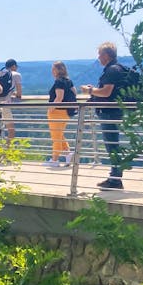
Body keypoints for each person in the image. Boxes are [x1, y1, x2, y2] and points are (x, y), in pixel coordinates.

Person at [81, 42, 127, 189]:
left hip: (109, 112)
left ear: (106, 55)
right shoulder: (118, 68)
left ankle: (115, 179)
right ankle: (115, 176)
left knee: (111, 145)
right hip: (114, 110)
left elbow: (106, 92)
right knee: (112, 144)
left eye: (100, 55)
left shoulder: (112, 70)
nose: (99, 58)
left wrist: (90, 91)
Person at [46, 61, 75, 167]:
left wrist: (50, 108)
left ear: (57, 70)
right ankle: (68, 153)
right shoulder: (68, 81)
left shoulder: (58, 82)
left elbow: (59, 97)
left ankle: (54, 160)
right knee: (60, 134)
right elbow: (74, 93)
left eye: (53, 69)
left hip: (57, 112)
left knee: (56, 137)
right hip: (66, 112)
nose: (52, 71)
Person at [0, 58, 23, 143]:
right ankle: (6, 153)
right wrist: (14, 93)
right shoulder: (16, 74)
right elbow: (19, 93)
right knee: (11, 130)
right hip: (5, 105)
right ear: (14, 66)